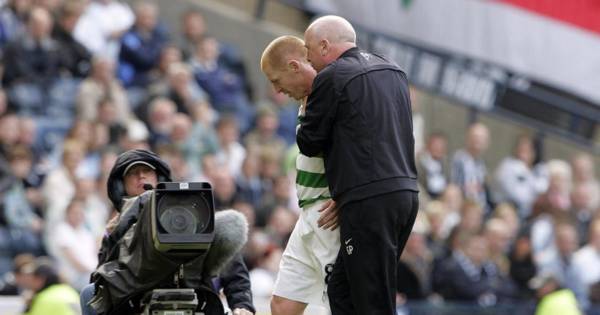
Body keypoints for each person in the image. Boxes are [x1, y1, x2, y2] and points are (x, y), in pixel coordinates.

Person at [297, 15, 419, 315]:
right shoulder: (394, 71)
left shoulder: (331, 76)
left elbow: (309, 142)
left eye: (310, 53)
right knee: (342, 289)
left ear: (325, 46)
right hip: (405, 195)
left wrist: (305, 108)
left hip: (369, 202)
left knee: (372, 300)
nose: (310, 63)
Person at [80, 149, 254, 315]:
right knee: (90, 293)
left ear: (159, 177)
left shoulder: (193, 217)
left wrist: (241, 304)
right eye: (133, 173)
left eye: (147, 171)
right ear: (121, 185)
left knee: (232, 223)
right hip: (134, 300)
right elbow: (103, 276)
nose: (141, 176)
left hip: (197, 294)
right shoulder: (114, 227)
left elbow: (231, 266)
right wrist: (119, 231)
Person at [260, 35, 340, 315]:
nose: (277, 90)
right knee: (282, 305)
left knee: (341, 305)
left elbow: (357, 150)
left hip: (330, 217)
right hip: (307, 215)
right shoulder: (308, 97)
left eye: (276, 80)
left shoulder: (333, 94)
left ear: (294, 66)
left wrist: (347, 196)